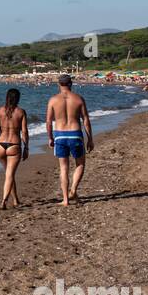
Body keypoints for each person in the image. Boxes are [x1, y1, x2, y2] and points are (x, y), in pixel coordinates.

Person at [45, 75, 93, 206]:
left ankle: (65, 199)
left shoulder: (53, 100)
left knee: (63, 168)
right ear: (71, 84)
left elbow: (48, 121)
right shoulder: (78, 99)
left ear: (58, 84)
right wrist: (90, 139)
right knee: (80, 164)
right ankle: (73, 190)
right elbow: (86, 120)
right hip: (75, 134)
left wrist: (50, 137)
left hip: (60, 135)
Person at [0, 87, 28, 209]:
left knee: (8, 174)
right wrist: (26, 147)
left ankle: (15, 200)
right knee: (9, 175)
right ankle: (4, 201)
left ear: (7, 97)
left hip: (0, 145)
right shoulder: (21, 112)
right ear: (18, 98)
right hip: (14, 145)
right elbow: (24, 132)